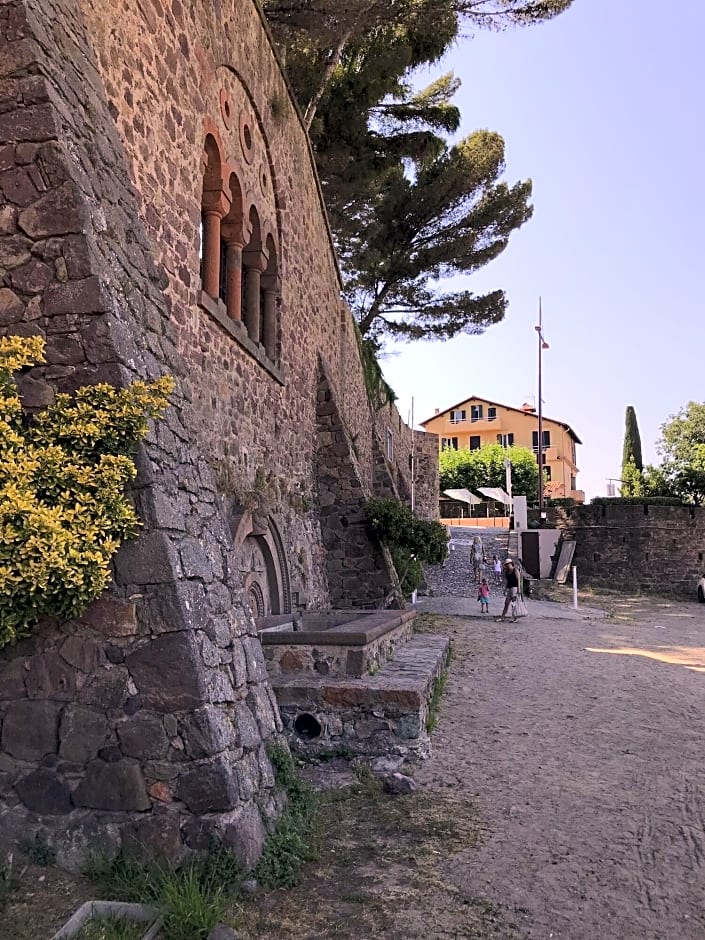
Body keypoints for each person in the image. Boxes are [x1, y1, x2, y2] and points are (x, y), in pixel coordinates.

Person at [497, 558, 520, 622]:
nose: (507, 565)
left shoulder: (515, 570)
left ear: (511, 563)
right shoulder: (507, 572)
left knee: (513, 603)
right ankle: (502, 617)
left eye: (508, 564)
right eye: (506, 564)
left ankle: (515, 617)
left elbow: (518, 580)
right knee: (506, 603)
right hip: (510, 588)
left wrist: (519, 589)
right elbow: (507, 582)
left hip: (514, 588)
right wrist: (505, 590)